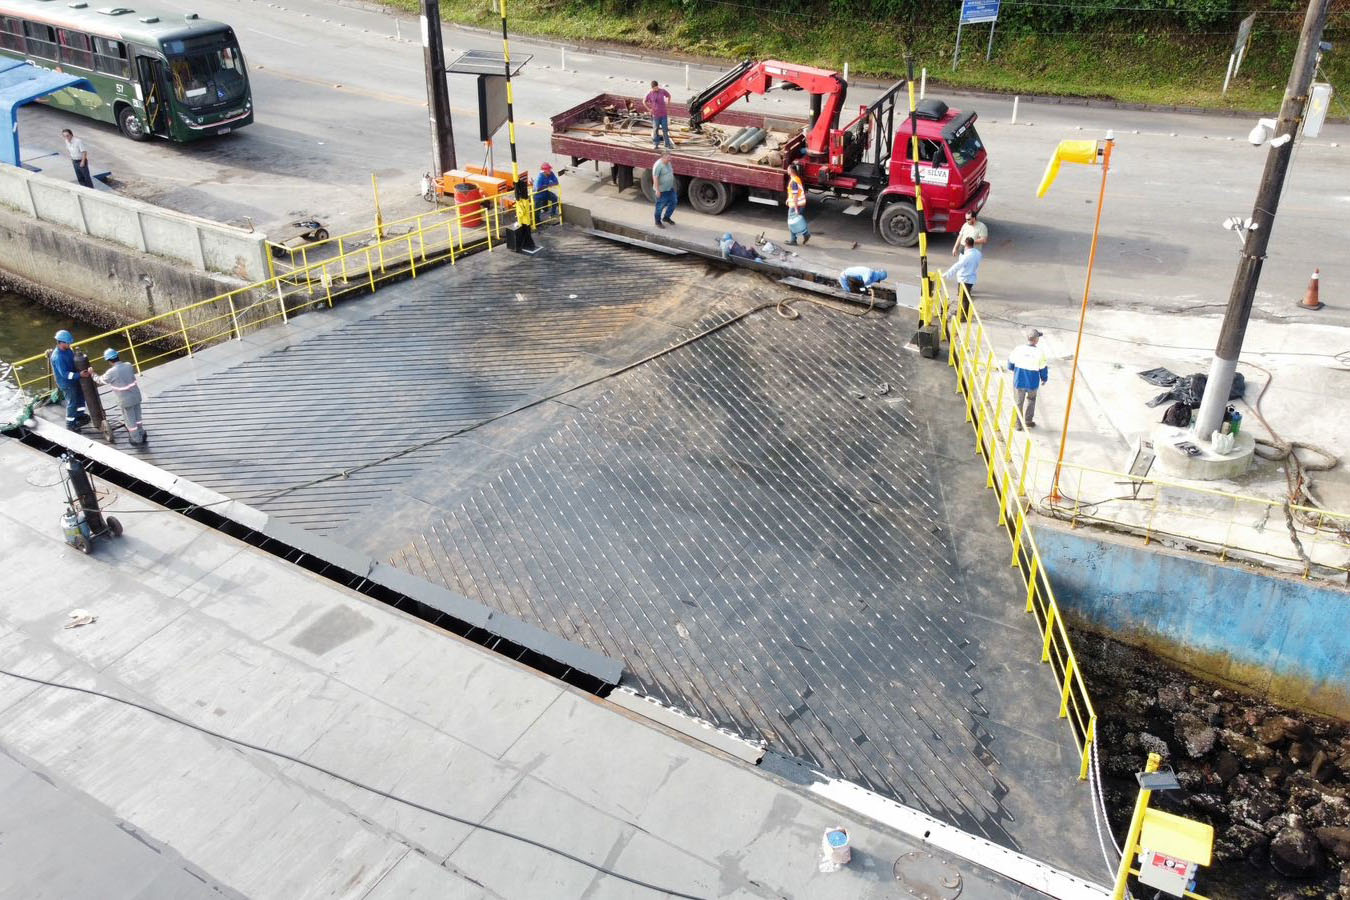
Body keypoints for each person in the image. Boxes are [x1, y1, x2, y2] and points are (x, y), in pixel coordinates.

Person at [94, 349, 145, 445]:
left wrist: (93, 374)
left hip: (126, 400)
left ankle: (136, 439)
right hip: (136, 396)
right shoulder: (128, 365)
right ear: (117, 356)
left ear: (109, 361)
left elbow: (101, 381)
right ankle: (141, 432)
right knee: (138, 416)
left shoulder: (111, 372)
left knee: (130, 420)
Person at [1008, 329, 1049, 429]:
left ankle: (1018, 424)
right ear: (1036, 340)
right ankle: (1028, 421)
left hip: (1019, 381)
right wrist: (1044, 379)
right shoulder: (1040, 353)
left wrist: (1015, 370)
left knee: (1018, 402)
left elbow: (1010, 364)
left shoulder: (1018, 349)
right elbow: (1043, 368)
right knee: (1031, 400)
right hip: (1032, 383)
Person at [49, 329, 88, 431]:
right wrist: (79, 375)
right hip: (67, 383)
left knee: (80, 397)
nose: (70, 344)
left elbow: (72, 362)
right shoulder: (58, 357)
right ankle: (70, 424)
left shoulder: (68, 350)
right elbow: (65, 374)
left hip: (75, 379)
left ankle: (79, 415)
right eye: (68, 342)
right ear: (61, 343)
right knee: (72, 402)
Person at [945, 237, 982, 312]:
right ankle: (961, 311)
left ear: (965, 244)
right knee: (965, 296)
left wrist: (947, 273)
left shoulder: (967, 256)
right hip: (971, 278)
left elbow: (957, 265)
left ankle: (962, 315)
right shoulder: (978, 253)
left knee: (963, 298)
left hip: (964, 279)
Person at [644, 80, 674, 150]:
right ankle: (655, 144)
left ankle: (667, 144)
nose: (656, 89)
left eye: (656, 87)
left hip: (663, 114)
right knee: (655, 129)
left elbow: (669, 95)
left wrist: (668, 104)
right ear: (652, 88)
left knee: (665, 130)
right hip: (655, 115)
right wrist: (649, 109)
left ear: (658, 86)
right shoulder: (650, 93)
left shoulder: (662, 91)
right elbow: (644, 101)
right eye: (654, 88)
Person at [786, 165, 810, 245]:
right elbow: (793, 194)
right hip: (799, 204)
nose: (787, 170)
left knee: (791, 222)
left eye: (788, 169)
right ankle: (805, 234)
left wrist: (796, 209)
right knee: (796, 221)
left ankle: (794, 240)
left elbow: (796, 195)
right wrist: (788, 199)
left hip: (796, 205)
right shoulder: (796, 178)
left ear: (791, 170)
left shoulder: (794, 181)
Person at [652, 151, 677, 228]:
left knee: (674, 202)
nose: (670, 159)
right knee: (660, 207)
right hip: (662, 190)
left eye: (670, 157)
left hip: (670, 188)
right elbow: (655, 178)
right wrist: (657, 190)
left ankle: (666, 217)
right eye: (668, 158)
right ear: (662, 158)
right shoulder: (658, 165)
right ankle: (657, 222)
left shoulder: (668, 162)